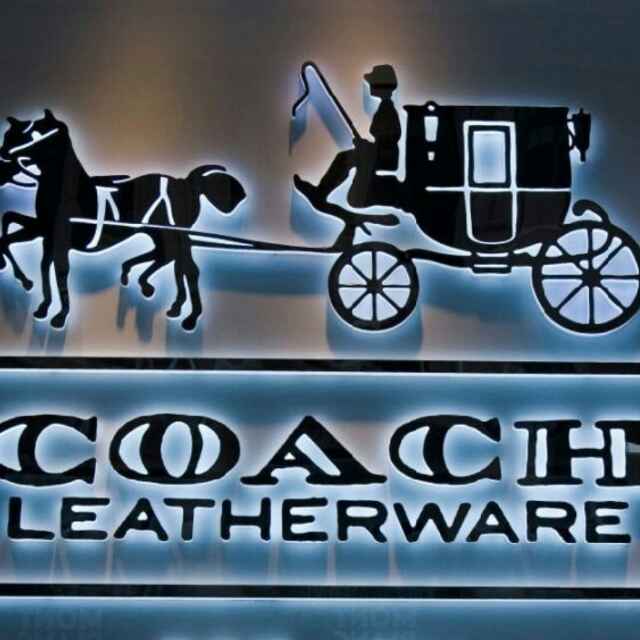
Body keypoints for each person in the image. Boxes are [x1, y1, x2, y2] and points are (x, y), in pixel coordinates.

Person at [294, 64, 402, 213]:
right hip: (380, 153)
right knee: (344, 157)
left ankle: (321, 193)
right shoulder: (385, 108)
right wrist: (365, 145)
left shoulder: (387, 110)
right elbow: (383, 140)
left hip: (384, 156)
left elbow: (388, 141)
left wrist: (366, 147)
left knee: (345, 158)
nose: (370, 85)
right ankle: (320, 193)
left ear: (381, 85)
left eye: (372, 82)